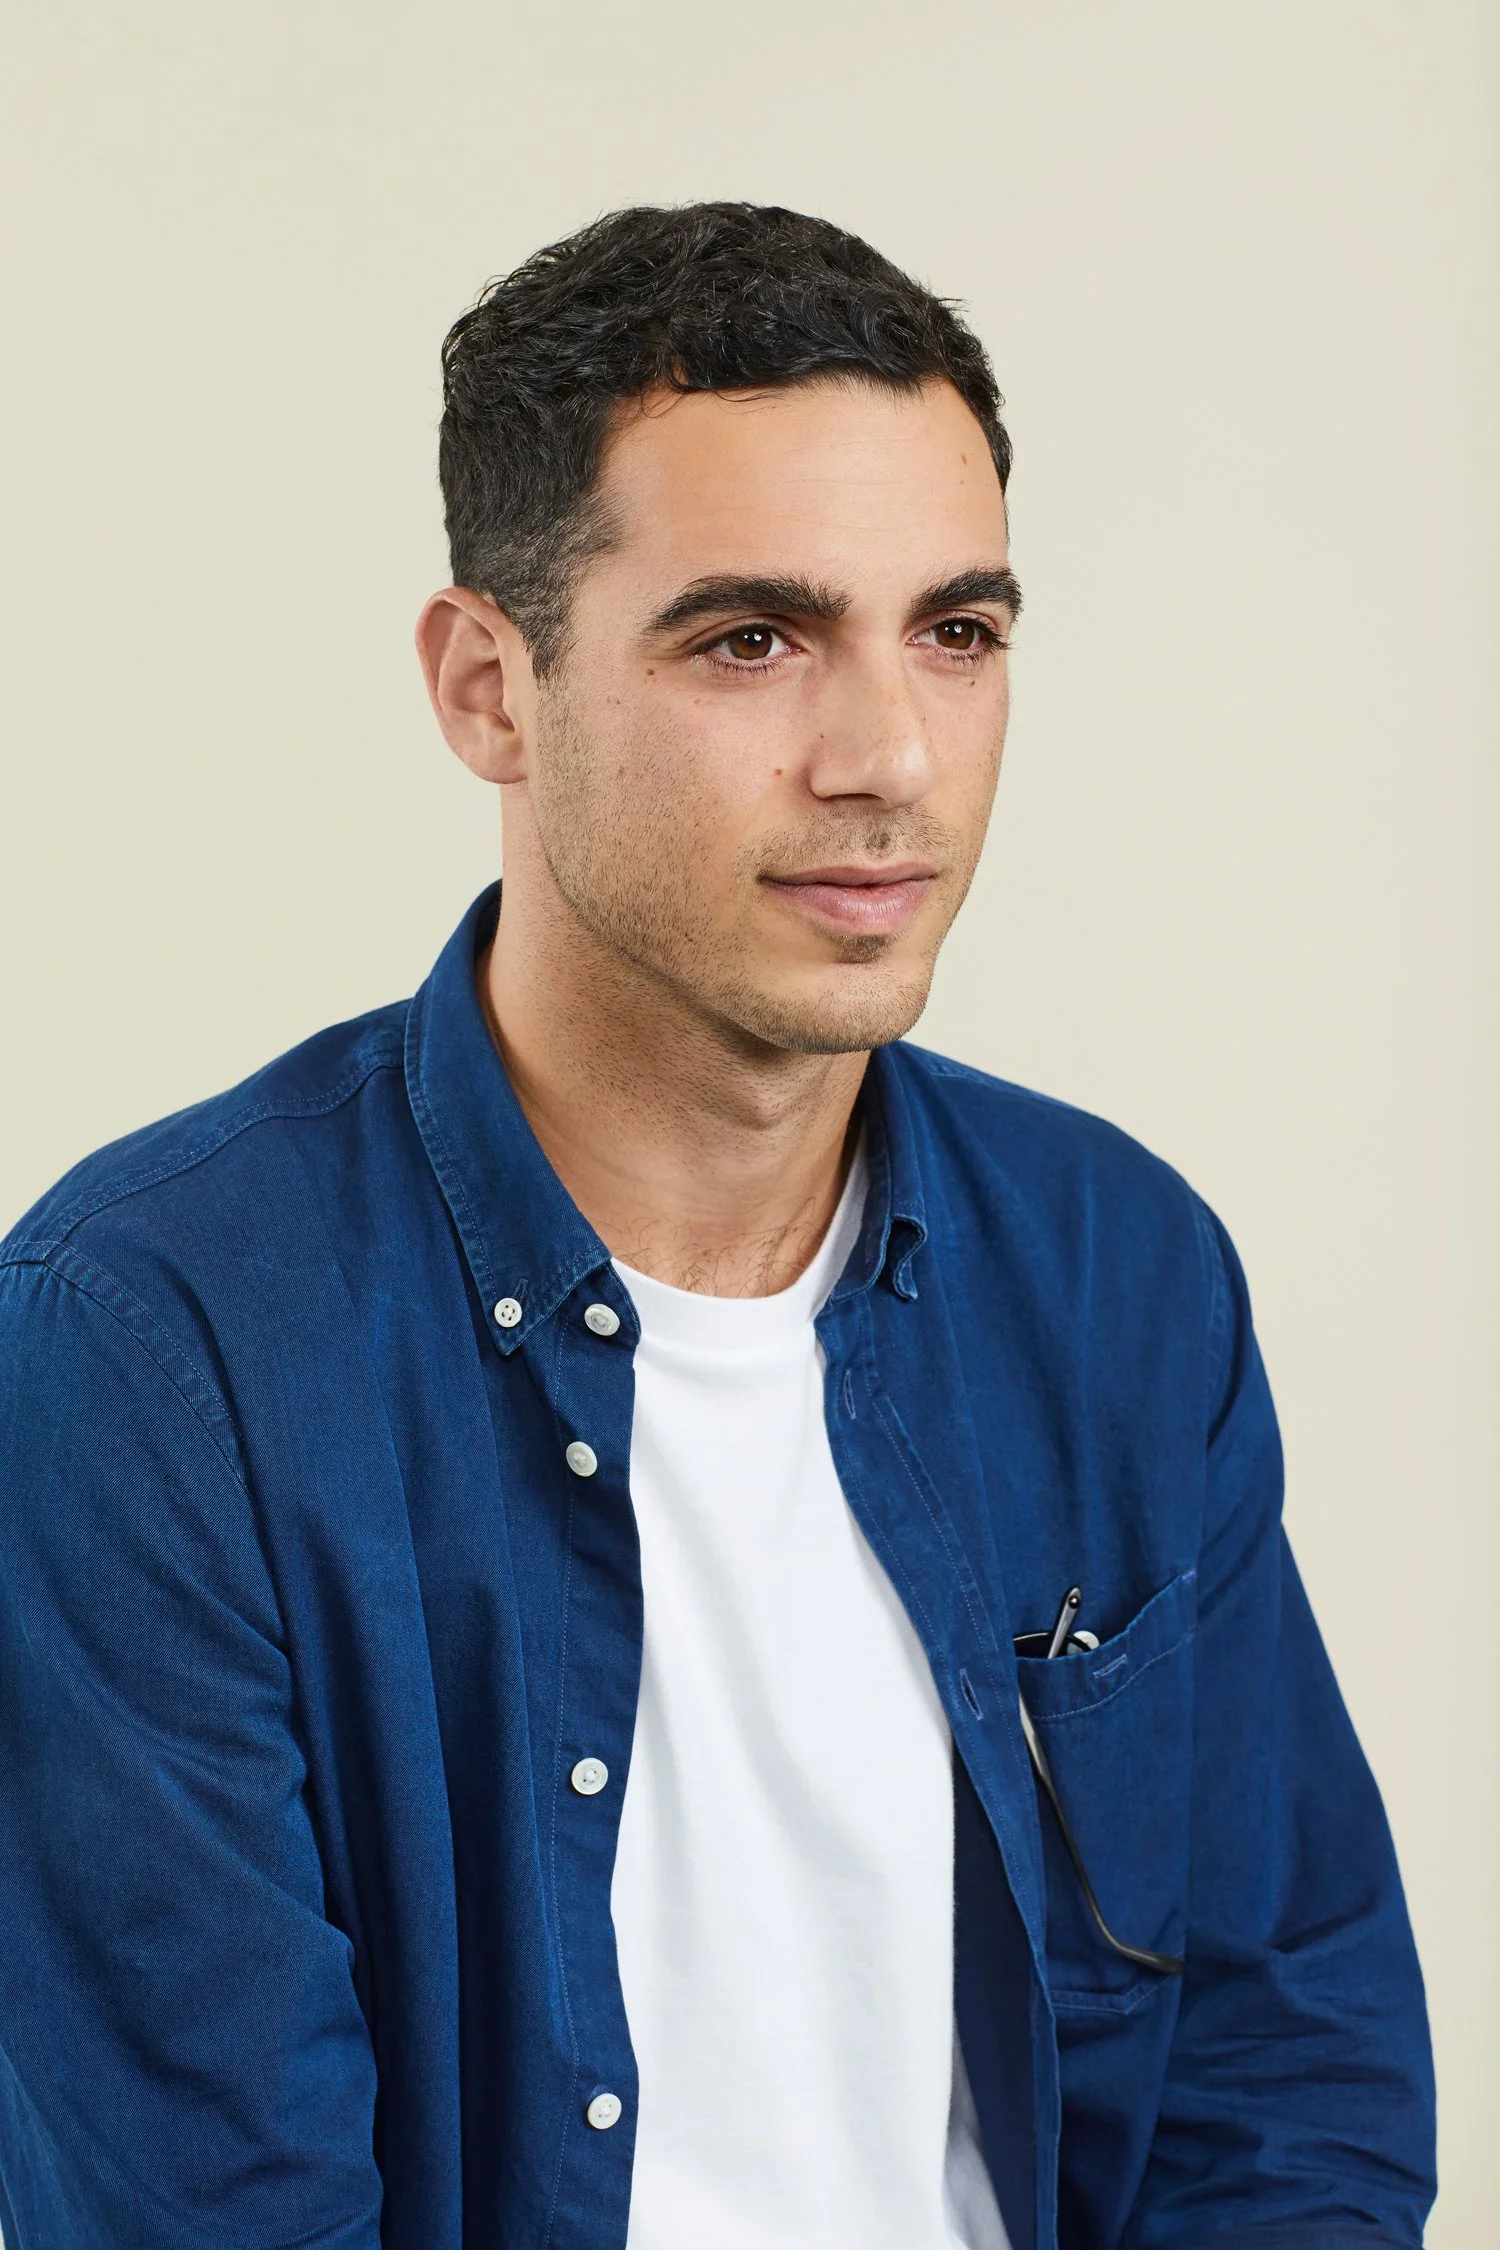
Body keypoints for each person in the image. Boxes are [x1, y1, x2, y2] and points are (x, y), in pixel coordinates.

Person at [0, 203, 1434, 2250]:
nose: (888, 759)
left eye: (957, 631)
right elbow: (205, 2206)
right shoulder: (157, 1349)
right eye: (750, 639)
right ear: (491, 690)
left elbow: (1286, 2084)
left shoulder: (1118, 1272)